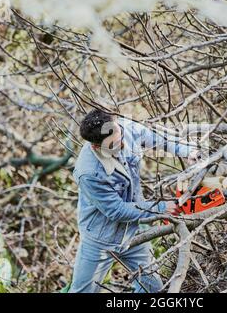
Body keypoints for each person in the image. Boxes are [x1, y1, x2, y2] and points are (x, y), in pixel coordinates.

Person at [69, 109, 199, 293]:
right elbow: (117, 211)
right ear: (96, 147)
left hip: (133, 232)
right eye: (114, 144)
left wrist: (187, 151)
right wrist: (161, 207)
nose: (122, 144)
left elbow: (158, 139)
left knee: (152, 288)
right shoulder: (89, 172)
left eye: (120, 136)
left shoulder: (125, 128)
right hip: (100, 239)